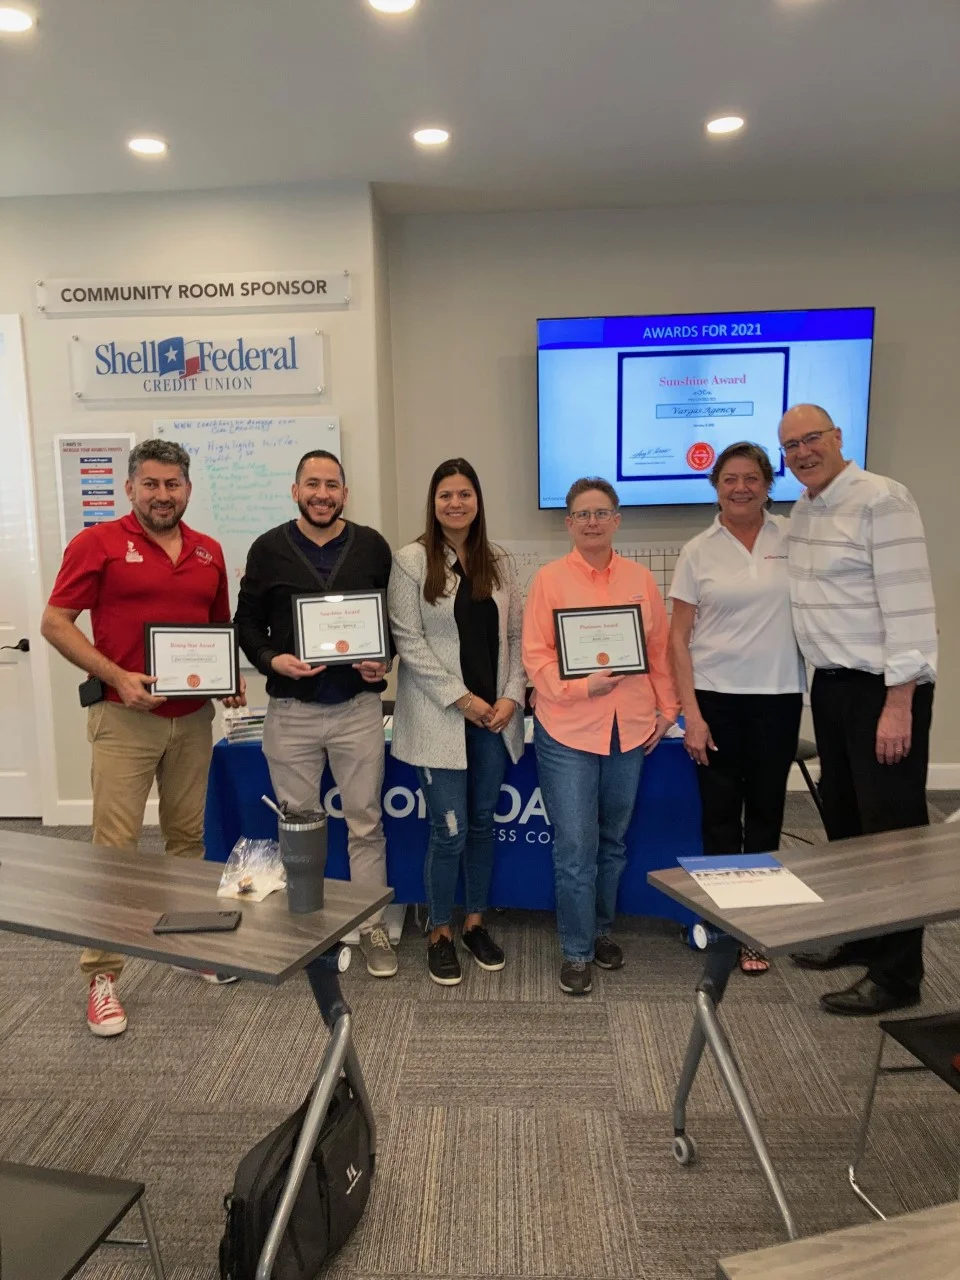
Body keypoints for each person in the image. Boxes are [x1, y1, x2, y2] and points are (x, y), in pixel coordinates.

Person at [41, 438, 246, 1038]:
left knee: (188, 838)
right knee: (116, 848)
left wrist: (226, 682)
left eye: (173, 484)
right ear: (130, 488)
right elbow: (55, 622)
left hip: (193, 721)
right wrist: (116, 676)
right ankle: (101, 976)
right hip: (123, 718)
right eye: (151, 484)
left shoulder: (209, 552)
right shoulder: (97, 544)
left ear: (187, 488)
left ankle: (189, 945)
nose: (163, 495)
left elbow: (216, 631)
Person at [778, 404, 937, 1015]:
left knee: (893, 833)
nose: (801, 452)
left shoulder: (882, 500)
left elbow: (910, 606)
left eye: (811, 439)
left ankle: (899, 975)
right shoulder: (806, 508)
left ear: (838, 438)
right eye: (790, 445)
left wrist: (899, 704)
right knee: (846, 823)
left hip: (884, 691)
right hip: (835, 688)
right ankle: (867, 939)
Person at [234, 450, 398, 978]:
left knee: (365, 822)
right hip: (291, 712)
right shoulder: (267, 549)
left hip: (357, 709)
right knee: (298, 829)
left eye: (332, 484)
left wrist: (383, 660)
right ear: (295, 490)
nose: (322, 493)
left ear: (345, 493)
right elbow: (246, 623)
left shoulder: (372, 545)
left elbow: (393, 620)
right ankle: (308, 932)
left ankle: (370, 924)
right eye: (312, 484)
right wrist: (269, 659)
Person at [522, 477, 680, 996]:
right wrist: (579, 686)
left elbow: (658, 651)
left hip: (629, 730)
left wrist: (668, 709)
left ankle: (602, 930)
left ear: (617, 519)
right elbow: (537, 655)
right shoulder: (549, 579)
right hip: (567, 730)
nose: (592, 521)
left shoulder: (639, 579)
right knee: (574, 847)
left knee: (612, 843)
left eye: (602, 512)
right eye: (582, 514)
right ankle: (575, 949)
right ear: (569, 523)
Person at [669, 442, 805, 975]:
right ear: (716, 485)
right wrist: (692, 714)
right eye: (730, 478)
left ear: (769, 483)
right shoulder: (697, 550)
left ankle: (760, 930)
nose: (741, 487)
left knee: (768, 814)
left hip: (777, 697)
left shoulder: (795, 537)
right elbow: (678, 640)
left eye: (752, 478)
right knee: (721, 818)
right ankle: (725, 925)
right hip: (716, 700)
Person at [388, 459, 525, 986]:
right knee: (448, 834)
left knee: (483, 825)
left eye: (464, 494)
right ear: (434, 501)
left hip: (494, 719)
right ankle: (439, 931)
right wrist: (463, 699)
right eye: (445, 495)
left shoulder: (499, 561)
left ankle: (474, 923)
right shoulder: (411, 559)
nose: (455, 503)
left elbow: (515, 638)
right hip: (442, 717)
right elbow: (410, 641)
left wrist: (511, 697)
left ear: (477, 501)